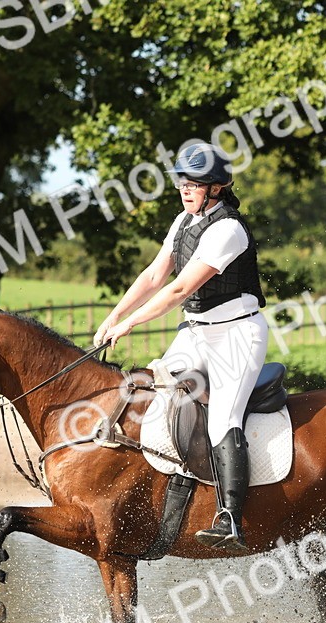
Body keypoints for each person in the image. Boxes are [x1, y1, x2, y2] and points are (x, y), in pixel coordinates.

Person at [95, 143, 268, 553]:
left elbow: (179, 288)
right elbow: (155, 274)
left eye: (196, 183)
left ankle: (230, 519)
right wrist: (114, 314)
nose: (186, 190)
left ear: (217, 188)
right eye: (183, 182)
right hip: (196, 332)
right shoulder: (184, 222)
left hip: (236, 336)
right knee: (153, 393)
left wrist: (132, 323)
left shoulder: (229, 229)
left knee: (223, 416)